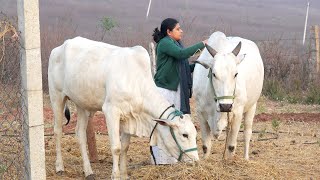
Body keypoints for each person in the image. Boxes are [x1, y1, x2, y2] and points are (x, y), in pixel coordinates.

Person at [150, 18, 207, 165]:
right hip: (165, 90)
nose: (181, 31)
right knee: (162, 125)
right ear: (168, 32)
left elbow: (183, 68)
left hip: (175, 89)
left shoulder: (175, 44)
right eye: (178, 29)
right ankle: (160, 159)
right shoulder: (165, 43)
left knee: (173, 125)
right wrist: (203, 45)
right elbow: (182, 54)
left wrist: (199, 66)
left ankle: (172, 157)